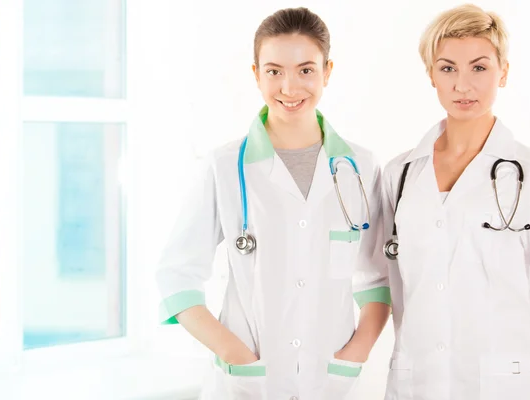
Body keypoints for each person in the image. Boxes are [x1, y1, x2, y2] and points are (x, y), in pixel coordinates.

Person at [155, 7, 391, 400]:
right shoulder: (226, 165)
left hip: (331, 380)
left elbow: (379, 279)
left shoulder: (361, 167)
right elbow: (176, 275)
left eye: (305, 69)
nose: (289, 86)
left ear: (327, 72)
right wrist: (234, 353)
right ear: (256, 74)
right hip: (247, 382)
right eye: (274, 71)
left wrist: (357, 352)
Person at [381, 4, 530, 400]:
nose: (462, 85)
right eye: (447, 68)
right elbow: (396, 289)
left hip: (506, 386)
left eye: (480, 67)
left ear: (504, 72)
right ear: (431, 75)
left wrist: (521, 384)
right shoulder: (399, 174)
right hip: (416, 382)